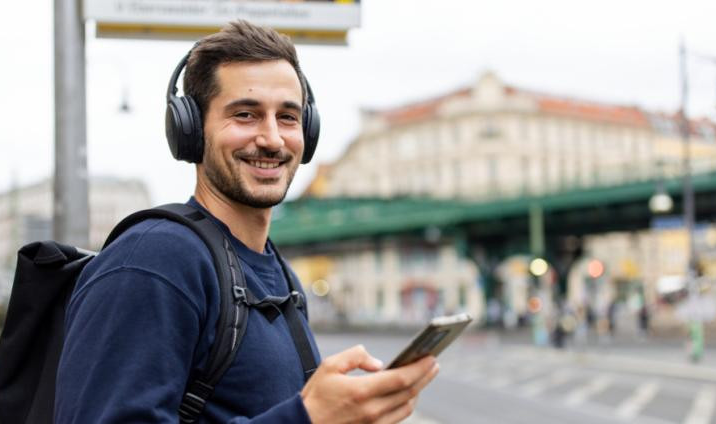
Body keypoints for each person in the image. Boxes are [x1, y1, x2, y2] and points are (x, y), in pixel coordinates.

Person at [55, 21, 439, 423]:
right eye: (245, 115)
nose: (272, 138)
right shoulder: (154, 261)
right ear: (190, 130)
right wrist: (308, 418)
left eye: (288, 118)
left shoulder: (280, 275)